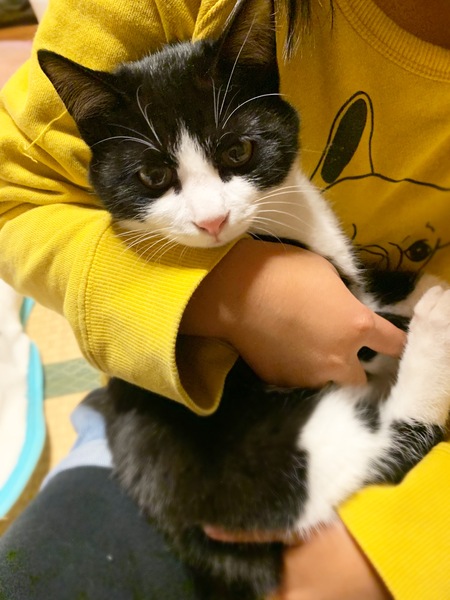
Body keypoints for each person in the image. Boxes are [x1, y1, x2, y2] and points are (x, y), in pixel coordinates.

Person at [0, 0, 449, 598]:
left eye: (235, 156)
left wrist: (407, 543)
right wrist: (225, 295)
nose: (211, 215)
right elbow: (13, 195)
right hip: (191, 439)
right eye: (158, 179)